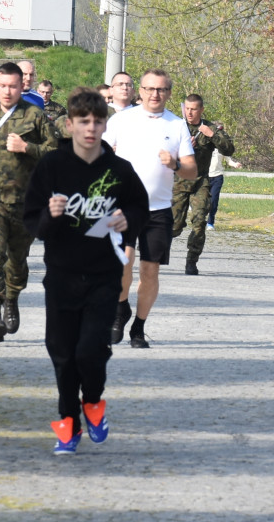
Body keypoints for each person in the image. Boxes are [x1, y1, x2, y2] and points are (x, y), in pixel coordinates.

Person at [23, 88, 149, 455]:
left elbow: (139, 207)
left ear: (104, 125)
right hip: (61, 273)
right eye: (83, 122)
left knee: (91, 349)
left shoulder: (119, 170)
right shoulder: (52, 167)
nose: (90, 129)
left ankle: (93, 402)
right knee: (61, 351)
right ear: (70, 124)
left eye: (97, 122)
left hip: (103, 275)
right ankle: (67, 422)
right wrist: (51, 214)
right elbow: (33, 221)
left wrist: (129, 220)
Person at [0, 62, 57, 342]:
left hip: (25, 202)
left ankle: (12, 297)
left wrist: (27, 147)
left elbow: (53, 153)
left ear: (22, 86)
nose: (7, 91)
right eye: (2, 85)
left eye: (13, 86)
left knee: (17, 260)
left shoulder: (35, 116)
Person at [103, 69, 195, 348]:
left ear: (169, 93)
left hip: (158, 210)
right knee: (123, 264)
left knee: (150, 271)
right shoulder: (121, 120)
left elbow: (192, 171)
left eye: (162, 90)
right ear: (139, 91)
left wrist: (175, 164)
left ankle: (138, 329)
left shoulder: (177, 125)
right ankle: (120, 309)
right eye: (150, 89)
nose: (155, 94)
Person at [170, 94, 236, 275]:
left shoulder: (209, 128)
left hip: (201, 182)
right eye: (187, 109)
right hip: (179, 181)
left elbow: (229, 149)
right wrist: (181, 148)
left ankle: (192, 261)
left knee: (200, 222)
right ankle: (158, 250)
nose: (190, 113)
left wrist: (212, 135)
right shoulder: (176, 127)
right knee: (174, 226)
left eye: (194, 109)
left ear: (201, 110)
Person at [206, 149, 242, 230]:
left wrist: (235, 164)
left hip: (217, 177)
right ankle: (200, 221)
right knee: (203, 201)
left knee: (214, 201)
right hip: (205, 176)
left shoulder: (221, 147)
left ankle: (210, 223)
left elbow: (228, 160)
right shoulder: (204, 145)